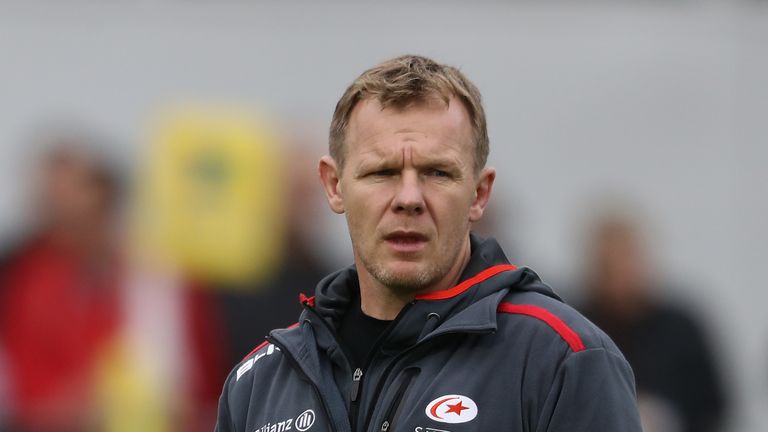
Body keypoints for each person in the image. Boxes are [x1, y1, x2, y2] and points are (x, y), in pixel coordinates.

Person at [215, 55, 642, 431]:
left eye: (437, 173)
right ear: (334, 186)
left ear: (479, 193)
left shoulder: (563, 359)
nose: (408, 199)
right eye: (381, 172)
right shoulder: (260, 383)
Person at [577, 210, 726, 432]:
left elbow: (714, 404)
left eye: (626, 261)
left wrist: (668, 419)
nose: (620, 277)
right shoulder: (576, 325)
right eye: (609, 266)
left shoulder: (682, 327)